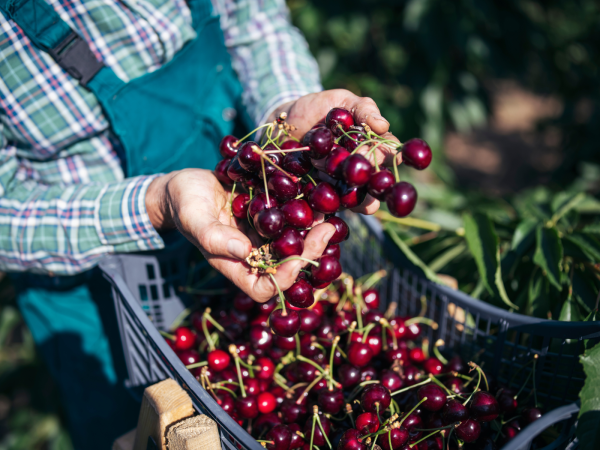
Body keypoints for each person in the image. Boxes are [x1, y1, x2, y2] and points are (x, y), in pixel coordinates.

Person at [0, 0, 398, 447]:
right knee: (130, 422)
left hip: (241, 209)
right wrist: (156, 201)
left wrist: (284, 112)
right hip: (89, 285)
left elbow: (254, 23)